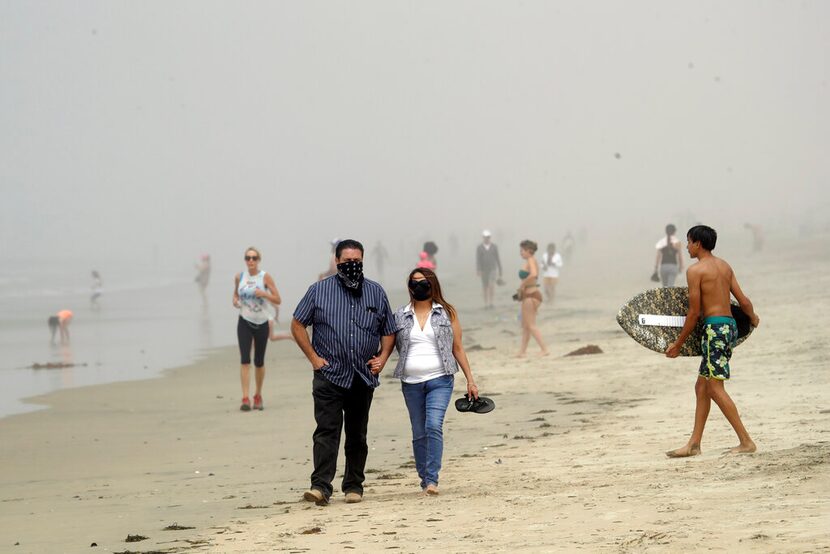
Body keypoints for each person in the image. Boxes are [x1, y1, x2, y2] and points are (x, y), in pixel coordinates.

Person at [291, 239, 396, 505]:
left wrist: (383, 358)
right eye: (347, 261)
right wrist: (314, 358)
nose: (352, 266)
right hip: (329, 375)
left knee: (357, 434)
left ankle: (353, 486)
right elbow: (297, 324)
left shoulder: (375, 292)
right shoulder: (318, 291)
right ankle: (320, 486)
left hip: (362, 376)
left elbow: (389, 329)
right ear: (337, 261)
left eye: (357, 262)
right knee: (326, 431)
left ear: (362, 261)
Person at [665, 225, 759, 458]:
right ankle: (694, 444)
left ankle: (746, 441)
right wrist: (753, 318)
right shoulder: (724, 266)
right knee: (701, 386)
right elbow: (743, 301)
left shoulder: (695, 271)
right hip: (728, 328)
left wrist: (678, 343)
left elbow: (694, 312)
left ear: (698, 243)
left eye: (688, 242)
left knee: (715, 388)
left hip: (714, 330)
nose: (686, 246)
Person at [393, 268, 479, 495]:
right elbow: (388, 346)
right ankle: (424, 478)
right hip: (410, 382)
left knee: (433, 425)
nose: (419, 286)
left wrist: (470, 379)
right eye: (414, 282)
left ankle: (432, 480)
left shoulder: (446, 313)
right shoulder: (400, 315)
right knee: (418, 432)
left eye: (423, 282)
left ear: (433, 285)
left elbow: (457, 347)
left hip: (440, 379)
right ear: (409, 286)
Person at [232, 247, 282, 411]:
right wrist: (235, 300)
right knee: (245, 359)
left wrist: (265, 294)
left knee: (259, 361)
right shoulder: (239, 277)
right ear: (245, 260)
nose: (251, 261)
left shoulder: (265, 277)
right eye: (248, 258)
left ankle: (258, 395)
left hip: (261, 323)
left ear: (258, 260)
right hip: (244, 321)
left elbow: (278, 299)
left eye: (254, 258)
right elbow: (235, 295)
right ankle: (245, 398)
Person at [516, 240, 549, 357]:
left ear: (529, 251)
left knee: (531, 325)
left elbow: (534, 274)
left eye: (522, 251)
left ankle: (544, 349)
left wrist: (522, 284)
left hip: (531, 295)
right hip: (529, 295)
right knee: (526, 325)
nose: (521, 253)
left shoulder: (530, 260)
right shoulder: (531, 261)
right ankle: (522, 351)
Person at [476, 230, 503, 309]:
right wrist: (478, 270)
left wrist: (500, 269)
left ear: (490, 237)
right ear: (483, 238)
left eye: (488, 237)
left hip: (492, 268)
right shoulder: (479, 247)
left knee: (491, 285)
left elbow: (497, 258)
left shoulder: (494, 247)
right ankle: (486, 303)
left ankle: (491, 302)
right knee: (485, 286)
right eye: (485, 237)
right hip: (484, 270)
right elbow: (478, 259)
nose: (486, 239)